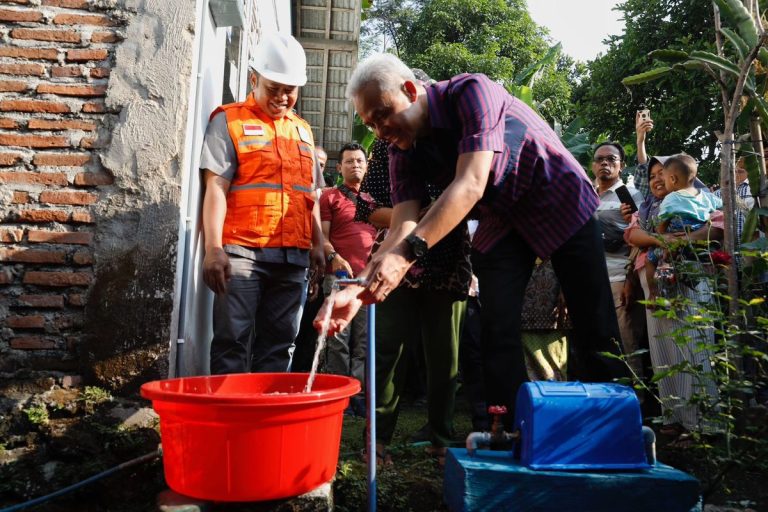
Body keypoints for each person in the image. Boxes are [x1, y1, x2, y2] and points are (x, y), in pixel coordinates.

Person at [315, 53, 628, 426]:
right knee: (496, 327)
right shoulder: (402, 150)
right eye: (370, 123)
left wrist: (406, 256)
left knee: (593, 320)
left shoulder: (472, 92)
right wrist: (360, 286)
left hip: (558, 197)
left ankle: (617, 426)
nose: (380, 130)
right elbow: (403, 223)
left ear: (411, 91)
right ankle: (511, 428)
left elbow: (470, 184)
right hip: (502, 219)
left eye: (382, 115)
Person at [200, 32, 324, 374]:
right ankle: (230, 423)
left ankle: (263, 425)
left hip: (292, 258)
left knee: (280, 344)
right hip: (241, 254)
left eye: (291, 90)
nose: (283, 97)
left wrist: (318, 243)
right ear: (254, 79)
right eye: (275, 87)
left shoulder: (303, 131)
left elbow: (308, 196)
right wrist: (213, 248)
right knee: (232, 340)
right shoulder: (228, 121)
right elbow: (215, 188)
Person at [353, 133, 472, 463]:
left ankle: (441, 438)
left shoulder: (458, 143)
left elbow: (472, 196)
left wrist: (440, 214)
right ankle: (376, 439)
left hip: (448, 263)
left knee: (444, 355)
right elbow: (368, 209)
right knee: (387, 351)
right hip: (393, 262)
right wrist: (422, 216)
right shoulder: (387, 146)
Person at [624, 156, 722, 433]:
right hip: (653, 283)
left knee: (693, 342)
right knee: (662, 346)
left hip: (691, 273)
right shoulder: (646, 209)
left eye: (661, 173)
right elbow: (632, 235)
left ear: (675, 177)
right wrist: (662, 240)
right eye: (652, 175)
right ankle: (675, 418)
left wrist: (682, 240)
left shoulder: (703, 198)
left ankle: (702, 423)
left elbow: (718, 227)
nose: (656, 179)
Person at [320, 142, 377, 415]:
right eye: (349, 161)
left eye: (359, 161)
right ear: (339, 167)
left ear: (367, 166)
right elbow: (321, 237)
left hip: (369, 280)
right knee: (338, 340)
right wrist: (333, 257)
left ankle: (359, 396)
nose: (355, 165)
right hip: (339, 279)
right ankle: (339, 399)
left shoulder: (376, 200)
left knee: (364, 342)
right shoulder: (329, 197)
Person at [593, 140, 645, 377]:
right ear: (593, 165)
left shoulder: (632, 195)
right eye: (599, 159)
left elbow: (642, 237)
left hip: (618, 277)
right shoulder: (586, 195)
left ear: (621, 165)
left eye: (611, 159)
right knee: (598, 342)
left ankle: (638, 399)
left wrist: (630, 281)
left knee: (626, 341)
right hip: (591, 279)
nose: (604, 163)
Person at [646, 154, 722, 301]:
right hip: (702, 245)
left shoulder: (672, 198)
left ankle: (656, 292)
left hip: (677, 242)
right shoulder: (708, 197)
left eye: (664, 176)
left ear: (673, 179)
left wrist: (661, 234)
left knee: (651, 259)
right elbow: (721, 208)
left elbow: (661, 226)